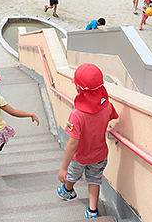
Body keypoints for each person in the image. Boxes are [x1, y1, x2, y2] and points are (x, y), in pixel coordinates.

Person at [57, 64, 118, 219]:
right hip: (100, 154)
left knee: (71, 174)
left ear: (79, 89)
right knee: (95, 179)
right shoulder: (107, 106)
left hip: (80, 156)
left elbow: (72, 143)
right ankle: (92, 210)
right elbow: (112, 116)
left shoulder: (76, 115)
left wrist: (64, 167)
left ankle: (68, 191)